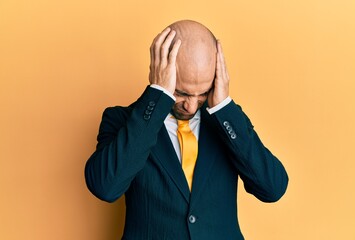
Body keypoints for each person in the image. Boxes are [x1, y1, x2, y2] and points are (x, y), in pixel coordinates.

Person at [85, 19, 288, 240]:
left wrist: (223, 107)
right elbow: (105, 187)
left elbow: (273, 188)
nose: (191, 106)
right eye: (181, 93)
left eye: (202, 93)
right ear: (160, 71)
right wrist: (157, 96)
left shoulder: (227, 120)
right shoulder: (121, 120)